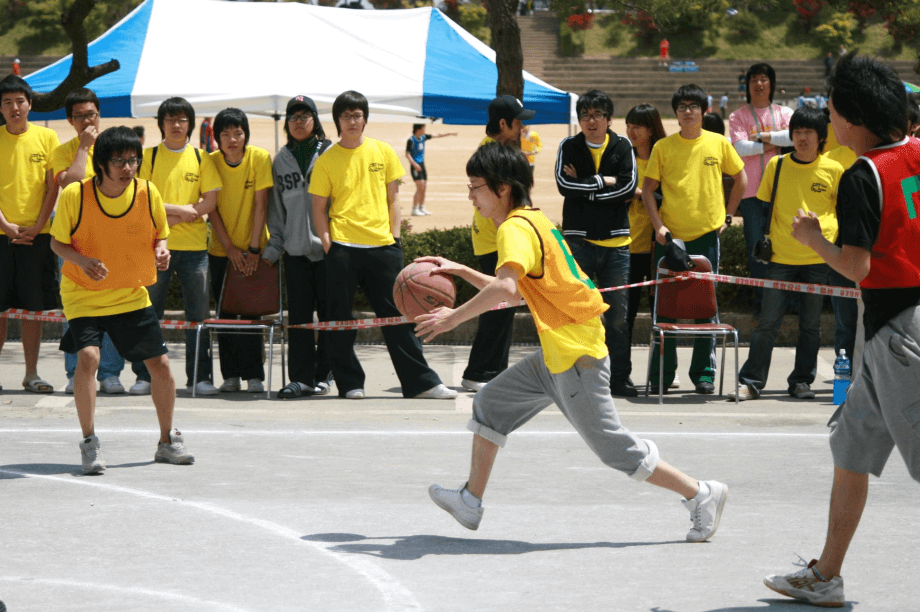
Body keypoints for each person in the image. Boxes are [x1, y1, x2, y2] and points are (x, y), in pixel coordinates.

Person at [418, 143, 728, 539]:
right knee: (491, 402)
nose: (470, 196)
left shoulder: (514, 228)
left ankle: (700, 493)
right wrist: (462, 270)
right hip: (558, 350)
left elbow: (504, 287)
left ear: (501, 188)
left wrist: (452, 319)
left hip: (576, 352)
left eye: (475, 187)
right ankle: (470, 501)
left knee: (613, 448)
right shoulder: (534, 221)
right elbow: (515, 293)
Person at [764, 54, 920, 608]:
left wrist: (811, 239)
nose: (826, 117)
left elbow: (857, 266)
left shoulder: (862, 174)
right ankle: (826, 574)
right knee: (851, 446)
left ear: (851, 118)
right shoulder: (917, 153)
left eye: (830, 108)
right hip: (888, 333)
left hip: (900, 334)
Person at [51, 126, 193, 475]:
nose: (128, 168)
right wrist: (82, 261)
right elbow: (57, 244)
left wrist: (162, 251)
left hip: (131, 293)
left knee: (159, 366)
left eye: (133, 160)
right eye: (120, 161)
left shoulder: (148, 193)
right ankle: (89, 442)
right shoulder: (75, 195)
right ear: (101, 164)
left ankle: (167, 441)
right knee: (88, 358)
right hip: (84, 293)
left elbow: (161, 235)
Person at [309, 90, 455, 400]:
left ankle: (421, 383)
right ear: (337, 120)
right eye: (347, 115)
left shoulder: (383, 152)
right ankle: (350, 383)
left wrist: (396, 239)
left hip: (383, 247)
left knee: (401, 317)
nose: (353, 121)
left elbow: (394, 199)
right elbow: (318, 208)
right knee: (338, 320)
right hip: (343, 248)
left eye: (358, 115)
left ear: (365, 119)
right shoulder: (327, 160)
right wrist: (327, 244)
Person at [729, 107, 843, 402]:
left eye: (809, 133)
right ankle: (751, 381)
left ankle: (802, 381)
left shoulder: (834, 170)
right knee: (767, 323)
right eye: (798, 132)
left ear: (821, 138)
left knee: (811, 326)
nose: (802, 138)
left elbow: (840, 212)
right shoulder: (776, 166)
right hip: (780, 259)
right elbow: (764, 206)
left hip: (818, 259)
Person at [642, 84, 747, 393]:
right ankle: (662, 373)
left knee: (706, 308)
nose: (688, 111)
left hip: (706, 237)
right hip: (671, 239)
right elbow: (648, 190)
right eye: (682, 107)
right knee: (666, 308)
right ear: (675, 113)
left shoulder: (719, 143)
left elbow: (740, 179)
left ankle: (703, 373)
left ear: (704, 111)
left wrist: (728, 216)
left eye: (693, 106)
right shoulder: (663, 147)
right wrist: (659, 226)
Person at [131, 97, 222, 397]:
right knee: (148, 313)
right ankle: (145, 375)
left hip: (195, 250)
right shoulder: (148, 157)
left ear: (191, 125)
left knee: (198, 316)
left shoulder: (202, 158)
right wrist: (182, 211)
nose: (176, 125)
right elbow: (142, 200)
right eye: (170, 119)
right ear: (161, 124)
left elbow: (208, 203)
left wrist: (174, 212)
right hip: (154, 247)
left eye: (182, 119)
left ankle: (200, 376)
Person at [555, 90, 637, 397]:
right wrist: (605, 181)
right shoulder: (569, 146)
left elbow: (629, 186)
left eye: (598, 115)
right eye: (585, 115)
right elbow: (564, 186)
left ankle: (619, 378)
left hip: (617, 245)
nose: (592, 121)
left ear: (609, 119)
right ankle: (578, 379)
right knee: (578, 313)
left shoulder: (623, 145)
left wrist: (587, 186)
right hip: (579, 243)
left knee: (617, 317)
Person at [51, 87, 126, 395]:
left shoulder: (116, 149)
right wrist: (84, 148)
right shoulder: (63, 151)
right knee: (75, 303)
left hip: (112, 231)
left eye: (91, 114)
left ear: (100, 114)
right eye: (79, 116)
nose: (86, 120)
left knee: (114, 302)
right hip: (72, 236)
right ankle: (75, 371)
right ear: (70, 120)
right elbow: (74, 183)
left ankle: (110, 372)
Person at [460, 95, 535, 393]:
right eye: (518, 122)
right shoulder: (490, 152)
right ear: (503, 123)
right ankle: (479, 372)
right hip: (495, 239)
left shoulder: (498, 149)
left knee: (503, 307)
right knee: (497, 306)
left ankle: (492, 371)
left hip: (497, 237)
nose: (521, 127)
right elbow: (495, 203)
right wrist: (510, 233)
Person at [265, 95, 333, 399]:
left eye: (305, 116)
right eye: (293, 117)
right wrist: (274, 246)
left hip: (331, 249)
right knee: (301, 319)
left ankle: (326, 374)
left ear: (315, 120)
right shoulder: (280, 159)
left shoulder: (331, 153)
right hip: (295, 252)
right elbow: (276, 211)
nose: (299, 122)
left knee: (332, 316)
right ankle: (302, 378)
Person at [0, 75, 61, 394]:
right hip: (1, 235)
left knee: (33, 310)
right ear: (1, 107)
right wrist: (7, 226)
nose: (14, 107)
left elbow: (53, 186)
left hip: (38, 235)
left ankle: (31, 373)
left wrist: (38, 225)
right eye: (7, 102)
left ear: (30, 104)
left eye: (19, 101)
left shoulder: (47, 138)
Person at [207, 108, 272, 394]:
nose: (232, 139)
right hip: (222, 251)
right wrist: (230, 249)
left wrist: (253, 249)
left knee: (251, 316)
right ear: (216, 137)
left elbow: (261, 205)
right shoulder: (210, 161)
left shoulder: (259, 157)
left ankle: (254, 375)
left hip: (255, 249)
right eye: (225, 134)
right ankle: (230, 375)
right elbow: (212, 210)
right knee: (225, 315)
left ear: (246, 134)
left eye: (238, 133)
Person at [729, 63, 794, 317]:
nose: (758, 84)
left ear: (771, 84)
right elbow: (740, 148)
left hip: (783, 190)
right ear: (747, 85)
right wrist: (773, 141)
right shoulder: (738, 116)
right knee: (756, 247)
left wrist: (762, 139)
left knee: (784, 246)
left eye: (764, 79)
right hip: (752, 193)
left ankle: (785, 303)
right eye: (754, 79)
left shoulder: (784, 112)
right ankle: (762, 303)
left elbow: (792, 137)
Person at [624, 104, 676, 389]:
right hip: (628, 249)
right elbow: (618, 188)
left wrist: (640, 193)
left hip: (657, 247)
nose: (631, 132)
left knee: (662, 314)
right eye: (629, 125)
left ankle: (664, 372)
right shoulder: (624, 156)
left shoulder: (664, 156)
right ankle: (622, 372)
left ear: (652, 128)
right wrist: (643, 193)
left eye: (638, 126)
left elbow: (671, 193)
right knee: (625, 317)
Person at [404, 123, 456, 217]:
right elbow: (407, 154)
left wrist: (450, 133)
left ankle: (421, 207)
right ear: (418, 129)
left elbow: (437, 135)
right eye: (423, 128)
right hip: (415, 165)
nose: (425, 130)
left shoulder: (424, 137)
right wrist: (414, 164)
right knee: (419, 187)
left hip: (422, 165)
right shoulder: (411, 140)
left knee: (424, 188)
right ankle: (414, 209)